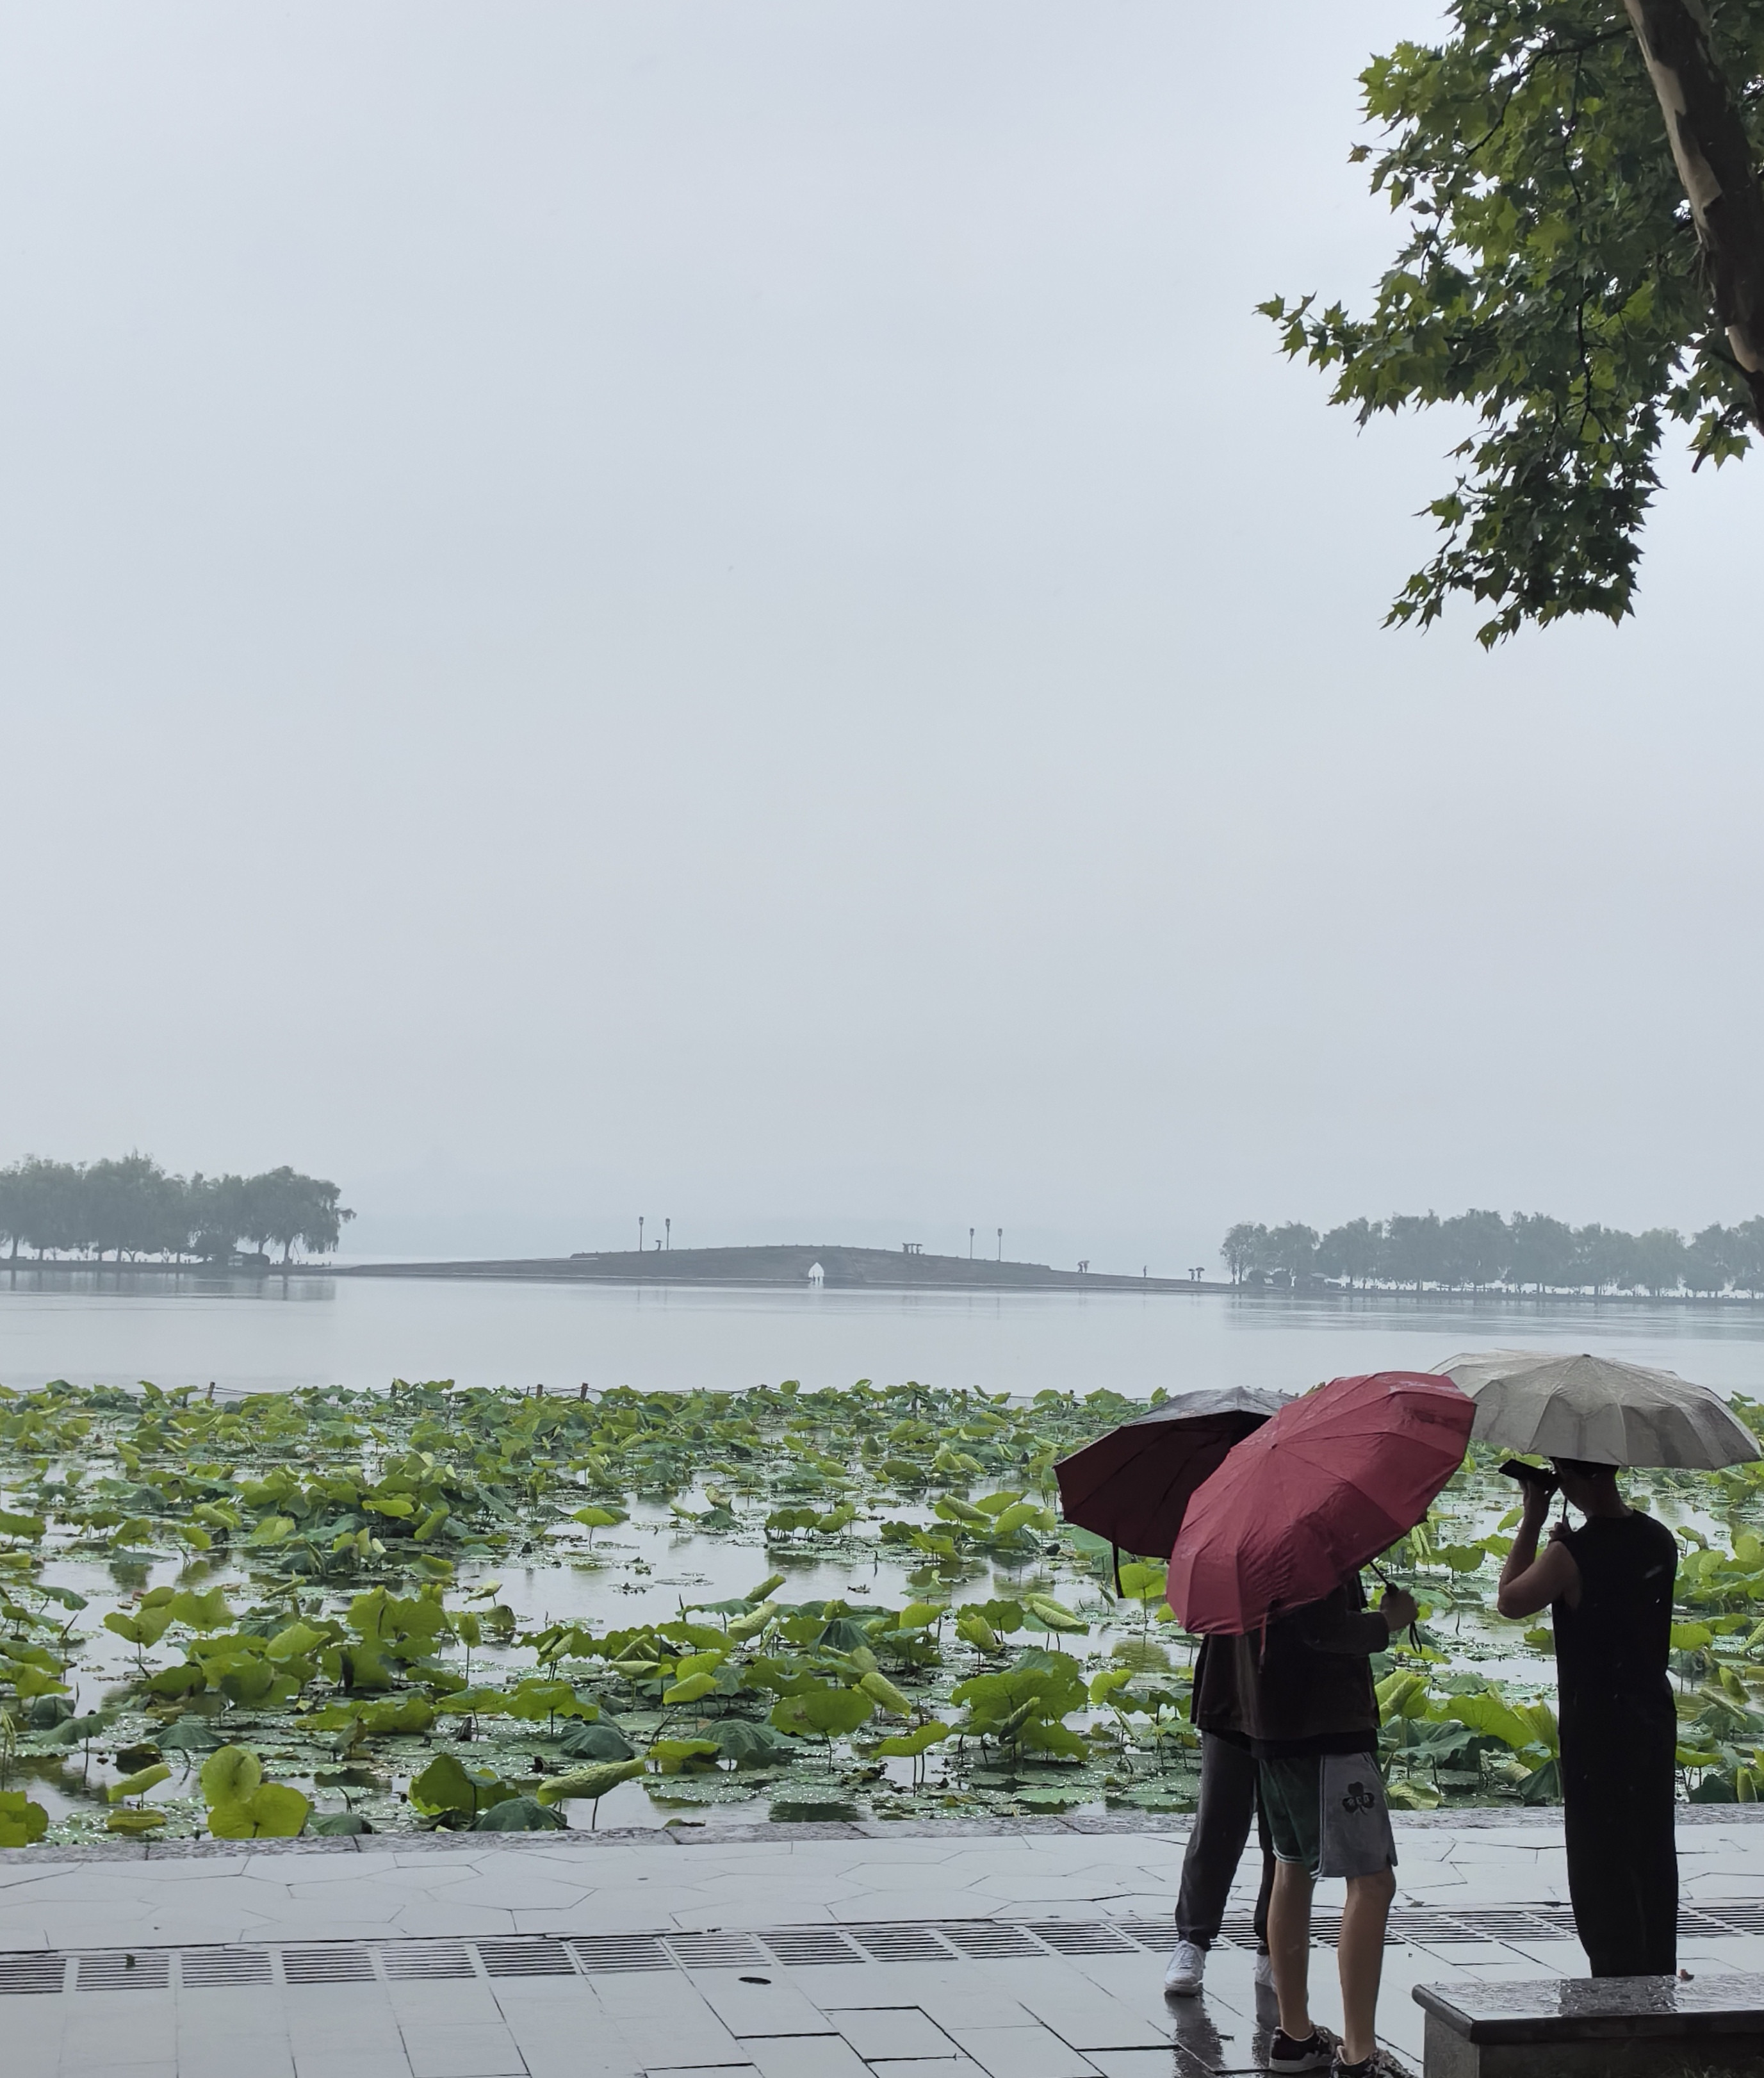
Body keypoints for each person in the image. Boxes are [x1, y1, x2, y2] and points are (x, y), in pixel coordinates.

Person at [1213, 1573, 1417, 2077]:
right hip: (1325, 1728)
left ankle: (1296, 2036)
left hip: (1270, 1721)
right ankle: (1360, 2054)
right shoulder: (1307, 1540)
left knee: (1292, 1866)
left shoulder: (1255, 1537)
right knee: (1371, 1882)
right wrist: (1387, 1622)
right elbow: (1323, 1629)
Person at [1496, 1457, 1678, 1977]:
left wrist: (1533, 1518)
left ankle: (1616, 1972)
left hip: (1598, 1723)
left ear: (1571, 1481)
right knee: (1649, 1848)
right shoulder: (1659, 1538)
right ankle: (1656, 1967)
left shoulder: (1570, 1554)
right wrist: (1568, 1543)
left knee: (1601, 1856)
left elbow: (1511, 1600)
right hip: (1650, 1714)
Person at [1163, 1635, 1276, 2000]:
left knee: (1285, 1838)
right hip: (1231, 1687)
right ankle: (1193, 1940)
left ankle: (1275, 1947)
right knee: (1217, 1821)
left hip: (1301, 1698)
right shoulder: (1228, 1577)